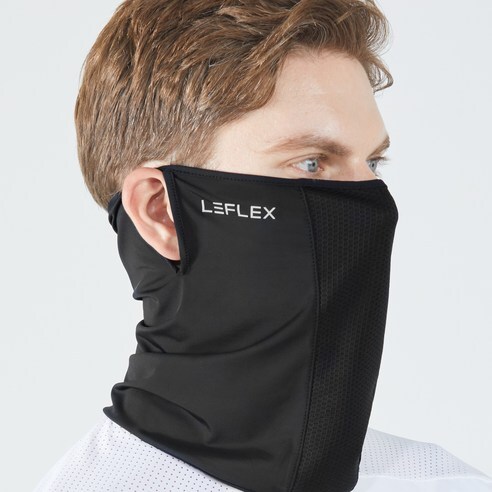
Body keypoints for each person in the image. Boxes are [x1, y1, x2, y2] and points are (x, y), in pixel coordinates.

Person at [33, 1, 492, 491]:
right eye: (312, 163)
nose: (371, 201)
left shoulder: (444, 482)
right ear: (161, 213)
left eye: (373, 164)